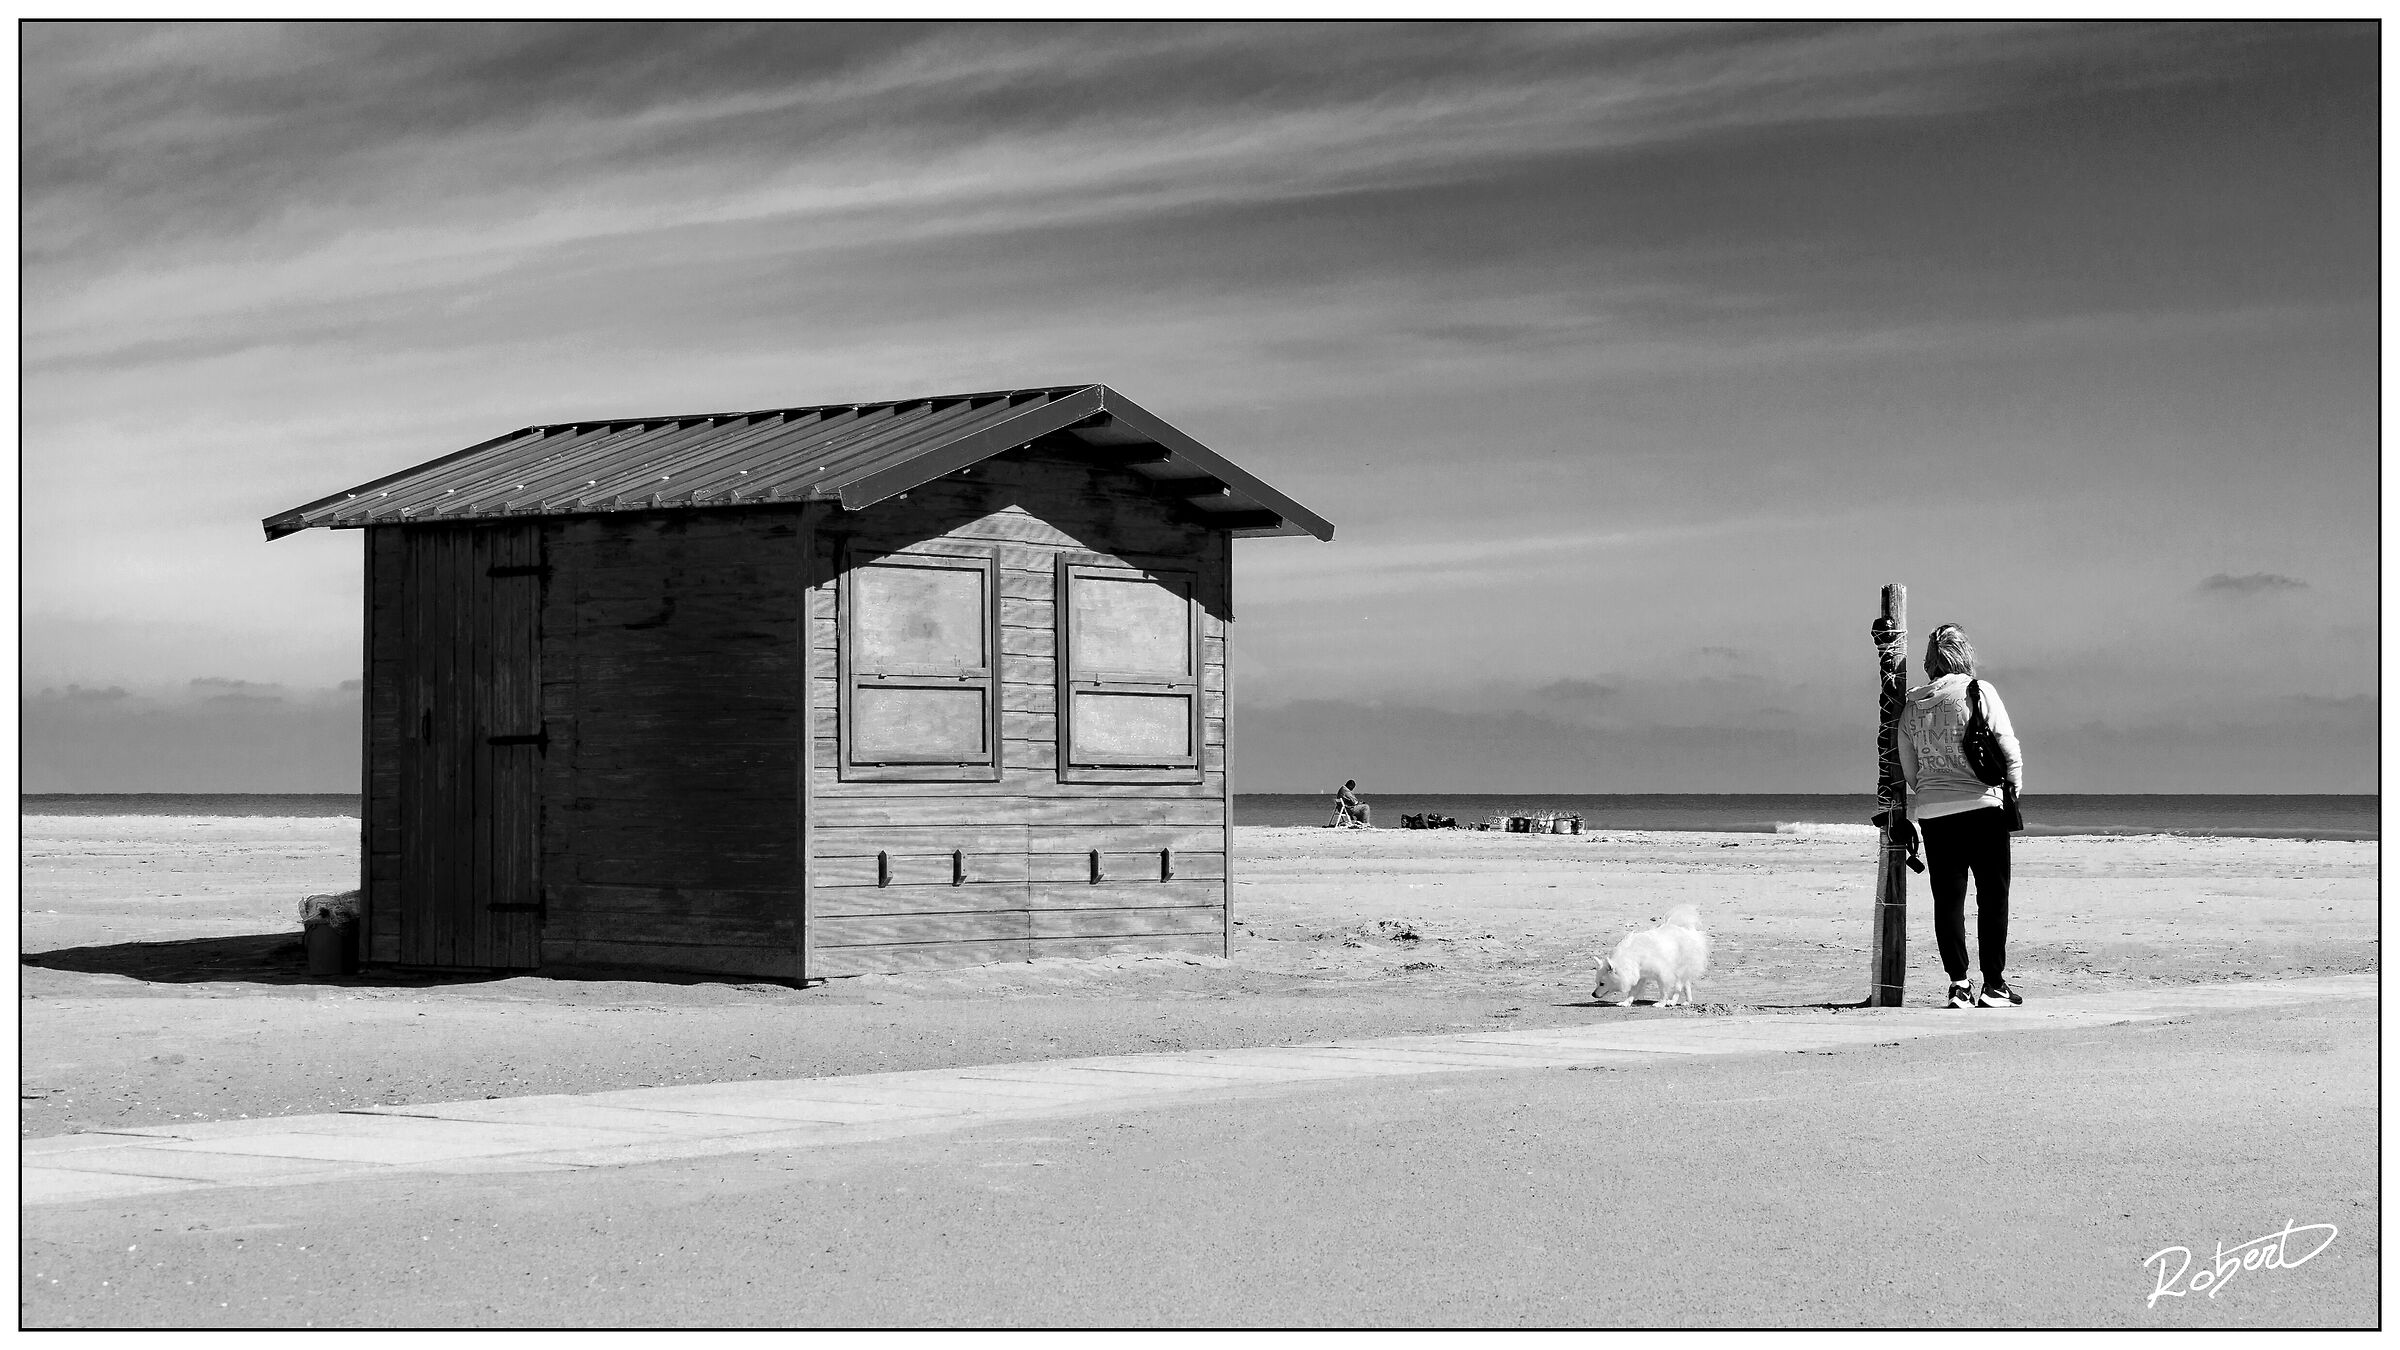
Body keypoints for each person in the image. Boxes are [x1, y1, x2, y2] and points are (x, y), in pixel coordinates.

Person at [1896, 623, 2025, 1009]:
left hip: (1935, 812)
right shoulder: (1977, 691)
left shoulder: (1912, 703)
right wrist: (2012, 789)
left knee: (1948, 901)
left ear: (1930, 661)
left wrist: (1932, 792)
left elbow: (1909, 767)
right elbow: (2007, 744)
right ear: (1964, 654)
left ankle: (1958, 984)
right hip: (1983, 806)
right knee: (1992, 897)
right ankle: (1995, 985)